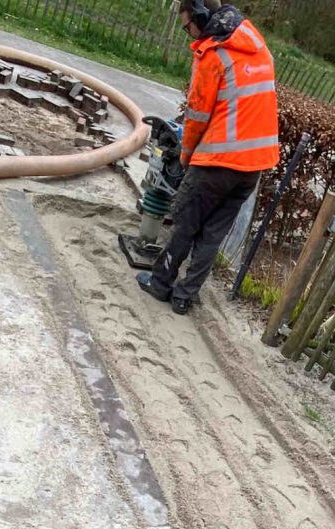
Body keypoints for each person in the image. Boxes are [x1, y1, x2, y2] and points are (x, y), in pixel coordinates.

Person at [137, 0, 280, 315]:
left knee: (185, 223)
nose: (188, 33)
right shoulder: (257, 46)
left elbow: (198, 116)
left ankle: (161, 283)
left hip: (218, 161)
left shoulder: (213, 53)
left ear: (201, 15)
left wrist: (186, 155)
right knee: (213, 233)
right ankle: (185, 296)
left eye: (188, 25)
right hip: (254, 166)